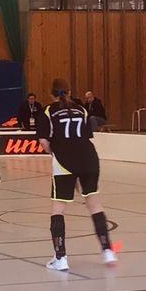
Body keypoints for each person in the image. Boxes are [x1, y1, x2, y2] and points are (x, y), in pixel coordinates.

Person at [36, 78, 117, 271]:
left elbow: (43, 141)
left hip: (64, 162)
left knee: (58, 209)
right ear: (70, 91)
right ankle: (108, 251)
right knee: (94, 204)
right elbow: (87, 134)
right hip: (89, 159)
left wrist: (55, 153)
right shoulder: (81, 109)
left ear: (51, 93)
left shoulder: (48, 111)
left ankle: (60, 258)